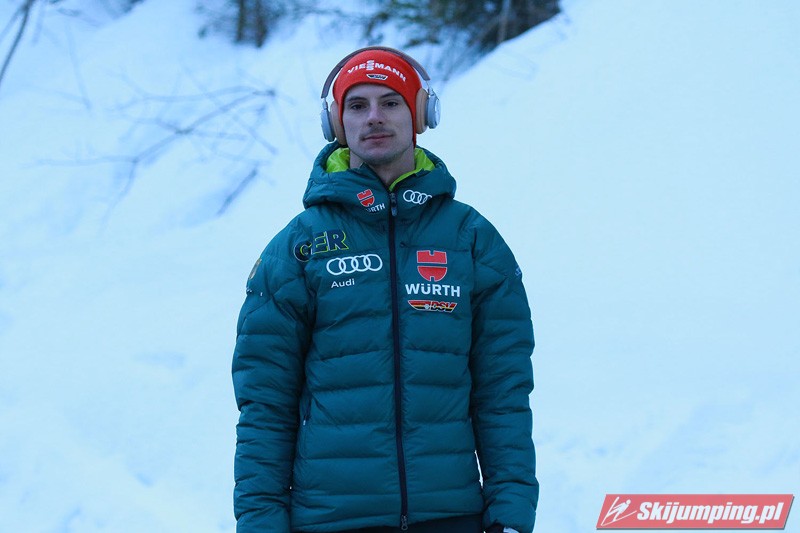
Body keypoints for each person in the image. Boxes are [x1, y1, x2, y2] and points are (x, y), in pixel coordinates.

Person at [232, 46, 538, 533]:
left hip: (451, 516)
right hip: (332, 521)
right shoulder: (298, 248)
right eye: (357, 105)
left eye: (390, 102)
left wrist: (512, 511)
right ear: (336, 123)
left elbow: (503, 394)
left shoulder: (472, 240)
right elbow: (265, 405)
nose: (373, 117)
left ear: (419, 113)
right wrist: (260, 522)